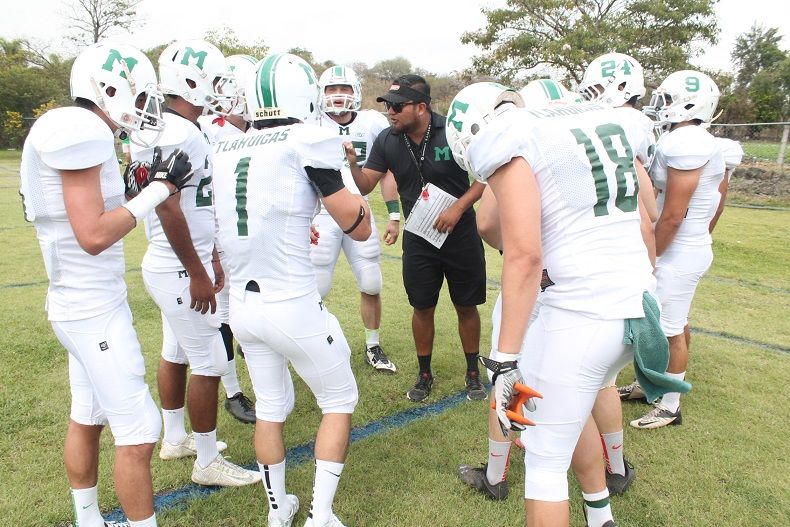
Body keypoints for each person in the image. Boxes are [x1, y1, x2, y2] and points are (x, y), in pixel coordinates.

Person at [462, 85, 656, 526]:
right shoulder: (604, 121)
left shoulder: (515, 136)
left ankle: (504, 478)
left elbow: (524, 255)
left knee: (545, 462)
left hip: (578, 311)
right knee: (570, 408)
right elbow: (648, 220)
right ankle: (600, 514)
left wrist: (504, 360)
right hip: (634, 304)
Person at [20, 41, 191, 527]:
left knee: (88, 415)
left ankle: (88, 519)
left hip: (77, 301)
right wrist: (158, 190)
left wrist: (140, 185)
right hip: (91, 307)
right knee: (139, 428)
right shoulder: (78, 129)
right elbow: (93, 234)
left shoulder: (76, 128)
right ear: (109, 88)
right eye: (136, 95)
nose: (142, 107)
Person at [213, 52, 370, 527]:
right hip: (293, 302)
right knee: (339, 400)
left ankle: (277, 507)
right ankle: (321, 514)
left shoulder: (225, 145)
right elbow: (356, 227)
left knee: (272, 407)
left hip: (243, 304)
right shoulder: (308, 138)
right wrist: (356, 202)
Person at [132, 39, 260, 486]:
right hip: (177, 267)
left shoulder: (173, 127)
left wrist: (210, 256)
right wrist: (200, 270)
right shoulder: (180, 131)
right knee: (209, 362)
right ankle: (206, 462)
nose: (222, 87)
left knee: (175, 351)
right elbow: (168, 207)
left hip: (174, 262)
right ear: (190, 80)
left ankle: (174, 437)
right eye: (215, 77)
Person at [350, 74, 488, 402]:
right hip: (420, 236)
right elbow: (366, 184)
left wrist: (458, 208)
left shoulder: (452, 130)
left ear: (422, 107)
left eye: (398, 106)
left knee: (466, 305)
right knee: (421, 306)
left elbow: (485, 175)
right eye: (387, 106)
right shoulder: (387, 139)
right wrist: (353, 165)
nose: (391, 112)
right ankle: (424, 373)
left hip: (460, 233)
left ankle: (472, 372)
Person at [576, 52, 659, 494]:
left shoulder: (584, 142)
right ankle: (616, 463)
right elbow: (649, 215)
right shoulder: (637, 141)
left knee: (573, 386)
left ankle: (595, 484)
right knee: (603, 381)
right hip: (628, 277)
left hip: (590, 281)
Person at [628, 70, 724, 430]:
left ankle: (670, 405)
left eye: (667, 99)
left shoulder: (689, 142)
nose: (660, 105)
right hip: (686, 245)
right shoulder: (688, 139)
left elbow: (672, 217)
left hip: (678, 248)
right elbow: (718, 199)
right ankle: (650, 383)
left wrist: (651, 257)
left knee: (669, 327)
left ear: (689, 103)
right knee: (670, 322)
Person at [311, 65, 400, 373]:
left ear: (356, 92)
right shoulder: (308, 123)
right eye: (331, 89)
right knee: (317, 285)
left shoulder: (373, 123)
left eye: (344, 89)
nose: (338, 96)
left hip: (360, 210)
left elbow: (388, 169)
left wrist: (394, 214)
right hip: (322, 212)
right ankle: (316, 342)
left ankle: (372, 345)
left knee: (372, 281)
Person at [198, 53, 259, 424]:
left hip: (250, 233)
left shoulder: (261, 131)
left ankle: (263, 379)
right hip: (216, 234)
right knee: (222, 316)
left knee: (250, 306)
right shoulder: (206, 128)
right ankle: (233, 391)